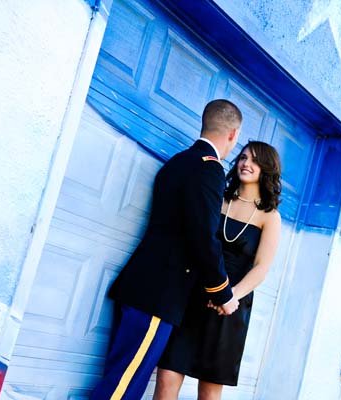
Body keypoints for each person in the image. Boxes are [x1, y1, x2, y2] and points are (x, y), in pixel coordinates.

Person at [90, 99, 243, 399]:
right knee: (121, 389)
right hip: (157, 297)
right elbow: (203, 237)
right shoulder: (209, 171)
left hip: (142, 289)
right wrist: (223, 293)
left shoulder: (179, 162)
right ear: (233, 134)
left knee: (119, 380)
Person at [153, 141, 282, 400]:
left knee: (209, 392)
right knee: (167, 377)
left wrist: (229, 296)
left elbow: (261, 268)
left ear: (266, 169)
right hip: (192, 298)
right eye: (243, 157)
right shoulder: (219, 198)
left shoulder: (270, 216)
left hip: (230, 309)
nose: (247, 164)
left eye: (255, 161)